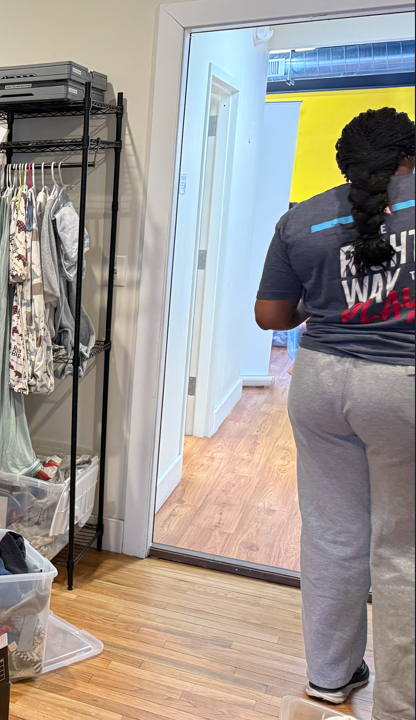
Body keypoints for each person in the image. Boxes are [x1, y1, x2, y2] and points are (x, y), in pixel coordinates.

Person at [255, 107, 414, 719]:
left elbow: (271, 315)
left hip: (320, 385)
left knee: (331, 533)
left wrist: (325, 308)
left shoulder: (302, 218)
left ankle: (329, 677)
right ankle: (400, 704)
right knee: (403, 547)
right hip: (402, 387)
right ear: (409, 155)